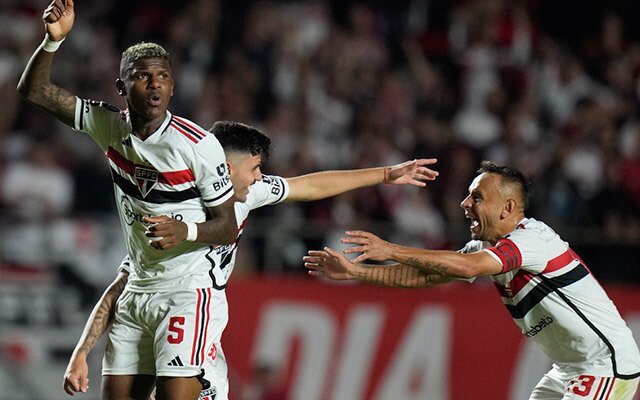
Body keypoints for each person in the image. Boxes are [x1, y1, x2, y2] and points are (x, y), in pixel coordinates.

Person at [62, 121, 439, 398]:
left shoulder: (249, 193)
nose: (260, 177)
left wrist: (387, 174)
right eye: (254, 168)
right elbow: (127, 279)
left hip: (196, 319)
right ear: (222, 169)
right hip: (158, 313)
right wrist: (82, 351)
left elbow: (310, 185)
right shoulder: (169, 202)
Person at [18, 1, 239, 399]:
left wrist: (184, 229)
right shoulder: (108, 125)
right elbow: (35, 91)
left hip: (186, 291)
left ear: (172, 85)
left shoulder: (199, 146)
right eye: (142, 77)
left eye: (163, 77)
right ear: (121, 87)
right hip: (137, 289)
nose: (155, 85)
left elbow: (227, 225)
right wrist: (53, 42)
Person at [304, 160, 640, 399]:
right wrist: (356, 273)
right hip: (569, 368)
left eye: (477, 197)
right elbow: (426, 277)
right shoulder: (485, 245)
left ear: (507, 208)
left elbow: (468, 268)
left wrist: (390, 248)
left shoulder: (532, 240)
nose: (465, 203)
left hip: (604, 365)